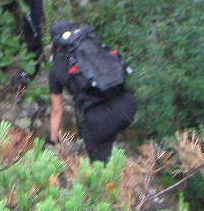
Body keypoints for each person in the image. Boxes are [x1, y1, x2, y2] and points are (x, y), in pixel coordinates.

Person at [47, 21, 137, 162]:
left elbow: (57, 111)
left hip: (98, 122)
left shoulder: (57, 69)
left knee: (100, 169)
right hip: (128, 106)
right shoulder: (95, 46)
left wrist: (53, 139)